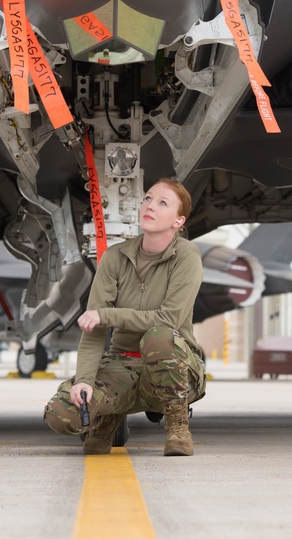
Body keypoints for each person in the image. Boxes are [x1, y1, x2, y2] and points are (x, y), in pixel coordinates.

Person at [43, 178, 207, 456]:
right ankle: (109, 416)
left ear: (178, 221)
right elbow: (93, 330)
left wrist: (107, 315)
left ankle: (177, 426)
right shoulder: (115, 257)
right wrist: (84, 380)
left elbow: (168, 319)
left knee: (159, 337)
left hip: (173, 368)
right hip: (123, 367)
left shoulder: (187, 256)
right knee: (61, 415)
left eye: (162, 203)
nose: (150, 206)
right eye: (148, 198)